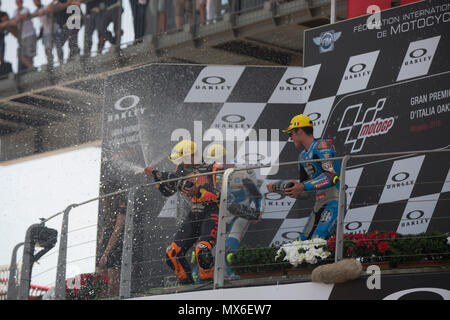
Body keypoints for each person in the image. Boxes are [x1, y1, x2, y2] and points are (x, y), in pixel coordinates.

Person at [144, 140, 221, 284]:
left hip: (213, 210)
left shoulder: (213, 168)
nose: (180, 163)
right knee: (172, 253)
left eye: (183, 159)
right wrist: (157, 178)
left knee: (202, 250)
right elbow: (168, 192)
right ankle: (188, 289)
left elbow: (222, 195)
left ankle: (208, 287)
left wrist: (199, 190)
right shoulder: (180, 169)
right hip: (195, 212)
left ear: (192, 155)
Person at [267, 114, 342, 240]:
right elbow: (304, 193)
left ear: (300, 131)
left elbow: (331, 176)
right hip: (319, 202)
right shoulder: (302, 157)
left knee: (318, 239)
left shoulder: (322, 146)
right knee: (301, 241)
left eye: (290, 134)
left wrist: (302, 186)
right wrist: (281, 188)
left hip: (335, 200)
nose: (290, 138)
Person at [96, 185, 128, 297]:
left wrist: (106, 253)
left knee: (113, 285)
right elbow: (106, 227)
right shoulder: (107, 208)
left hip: (115, 245)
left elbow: (118, 229)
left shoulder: (121, 203)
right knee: (100, 285)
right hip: (106, 244)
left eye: (104, 195)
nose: (103, 198)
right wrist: (101, 246)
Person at [32, 0, 63, 66]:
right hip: (46, 32)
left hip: (54, 28)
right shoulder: (36, 11)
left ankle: (61, 61)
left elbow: (50, 8)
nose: (36, 2)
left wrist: (44, 11)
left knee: (58, 45)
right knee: (47, 49)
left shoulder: (46, 7)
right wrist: (40, 13)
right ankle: (50, 62)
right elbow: (32, 15)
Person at [13, 0, 37, 72]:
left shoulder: (26, 9)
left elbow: (20, 18)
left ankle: (31, 70)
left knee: (30, 55)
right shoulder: (15, 12)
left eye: (19, 2)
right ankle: (31, 68)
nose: (18, 3)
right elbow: (14, 21)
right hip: (22, 37)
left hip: (30, 34)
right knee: (21, 55)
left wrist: (18, 14)